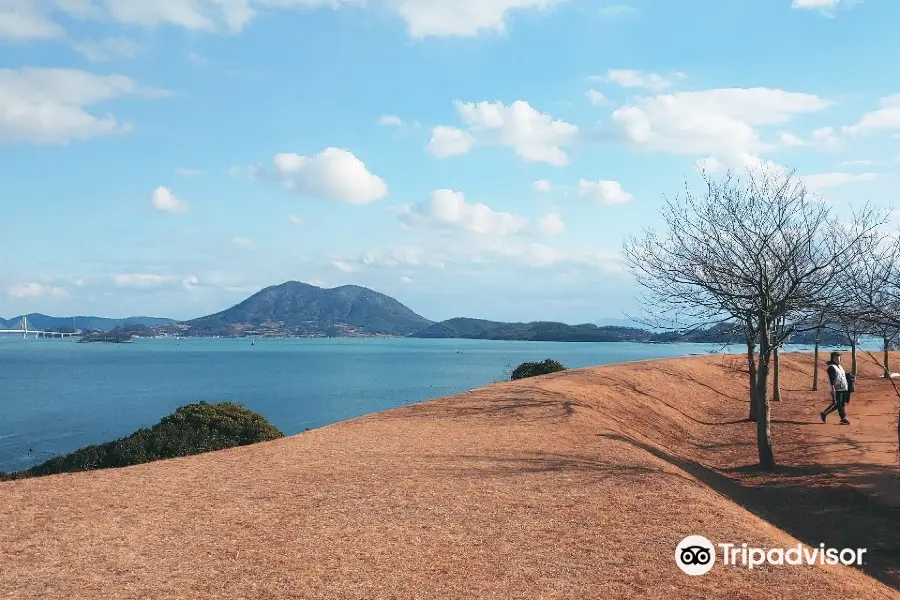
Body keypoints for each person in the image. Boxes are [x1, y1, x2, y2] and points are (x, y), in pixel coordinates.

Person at [820, 351, 851, 425]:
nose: (839, 359)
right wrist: (833, 389)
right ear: (833, 358)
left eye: (839, 357)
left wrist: (849, 375)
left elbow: (841, 375)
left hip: (843, 388)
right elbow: (832, 380)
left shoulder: (839, 366)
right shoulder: (831, 367)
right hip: (836, 389)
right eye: (837, 357)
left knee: (842, 404)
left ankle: (843, 418)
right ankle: (824, 413)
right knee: (836, 404)